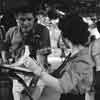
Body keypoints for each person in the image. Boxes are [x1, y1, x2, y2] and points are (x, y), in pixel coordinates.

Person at [22, 14, 99, 100]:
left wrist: (37, 70)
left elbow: (63, 86)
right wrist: (41, 61)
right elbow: (57, 75)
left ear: (65, 36)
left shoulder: (82, 59)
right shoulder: (73, 55)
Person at [3, 4, 51, 100]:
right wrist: (5, 61)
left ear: (34, 19)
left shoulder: (43, 31)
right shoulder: (11, 32)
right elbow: (4, 47)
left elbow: (42, 61)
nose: (25, 23)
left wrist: (34, 82)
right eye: (22, 19)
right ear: (16, 19)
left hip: (37, 74)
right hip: (18, 75)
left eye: (29, 19)